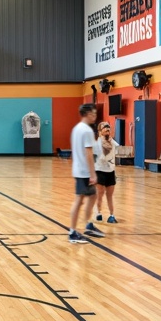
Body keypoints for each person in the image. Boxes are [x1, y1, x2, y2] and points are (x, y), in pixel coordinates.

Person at [67, 104, 101, 244]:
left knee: (93, 195)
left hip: (79, 169)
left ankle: (88, 224)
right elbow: (88, 154)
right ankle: (73, 232)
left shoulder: (76, 129)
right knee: (79, 200)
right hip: (84, 171)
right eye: (93, 113)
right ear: (86, 114)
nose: (95, 116)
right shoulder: (86, 131)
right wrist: (92, 174)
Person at [93, 121, 120, 224]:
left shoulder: (113, 143)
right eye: (105, 127)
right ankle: (98, 212)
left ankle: (111, 215)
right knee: (100, 193)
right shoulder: (97, 144)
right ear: (100, 131)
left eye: (108, 127)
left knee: (110, 195)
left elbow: (113, 156)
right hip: (100, 171)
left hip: (110, 171)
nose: (107, 129)